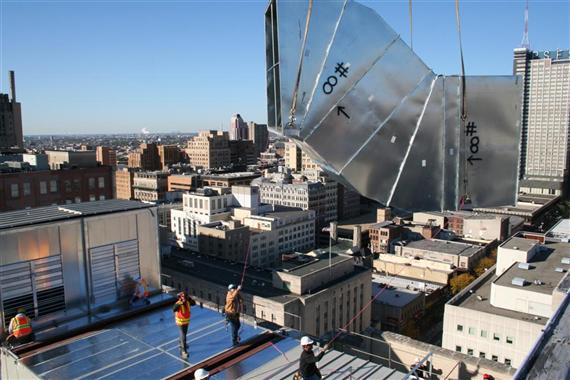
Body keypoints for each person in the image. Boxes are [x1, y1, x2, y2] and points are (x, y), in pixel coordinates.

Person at [173, 291, 195, 358]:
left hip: (186, 321)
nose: (184, 298)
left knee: (183, 334)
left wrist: (190, 299)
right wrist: (180, 303)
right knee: (183, 335)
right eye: (183, 297)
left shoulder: (188, 302)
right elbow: (174, 309)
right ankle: (184, 351)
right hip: (181, 322)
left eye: (185, 297)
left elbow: (194, 303)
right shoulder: (179, 303)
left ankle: (181, 343)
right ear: (180, 297)